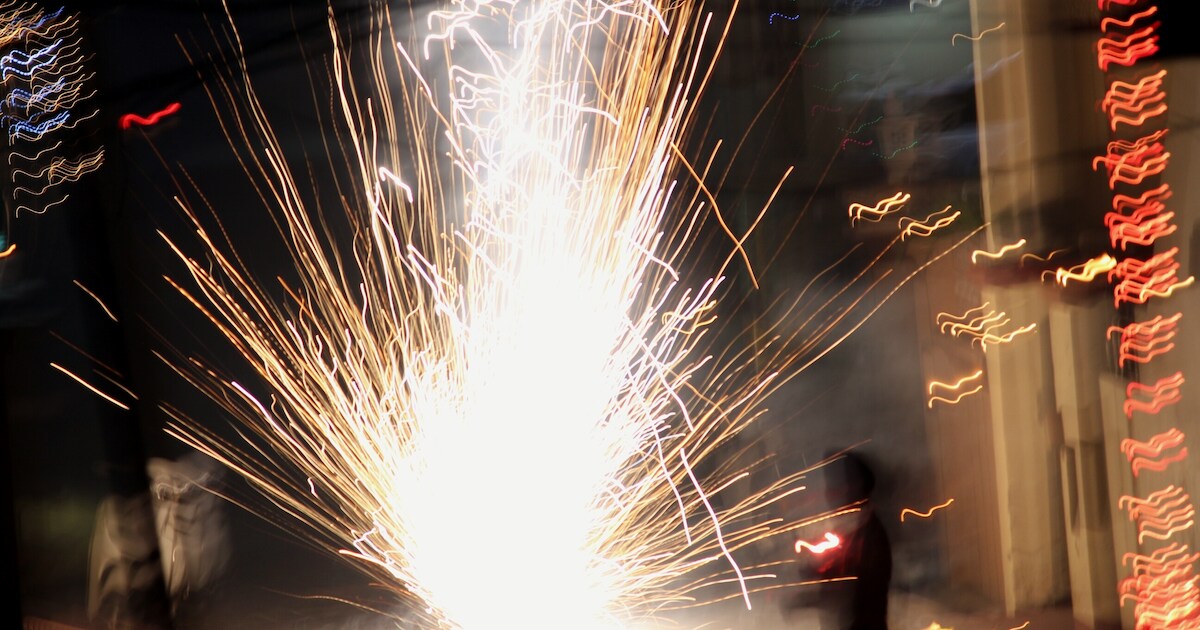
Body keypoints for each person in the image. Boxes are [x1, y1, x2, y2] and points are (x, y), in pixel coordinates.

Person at [811, 451, 893, 629]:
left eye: (836, 487)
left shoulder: (870, 536)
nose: (829, 494)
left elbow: (858, 587)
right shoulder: (854, 531)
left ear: (854, 489)